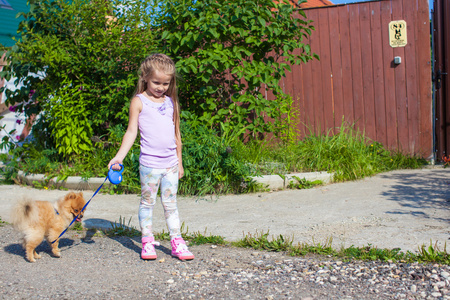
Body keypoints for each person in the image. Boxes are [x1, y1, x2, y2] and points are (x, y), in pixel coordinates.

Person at [108, 53, 194, 261]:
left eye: (166, 83)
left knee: (171, 204)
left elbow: (177, 134)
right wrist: (118, 157)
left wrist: (180, 163)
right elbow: (131, 132)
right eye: (156, 82)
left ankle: (177, 241)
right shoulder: (139, 102)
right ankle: (147, 241)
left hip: (171, 165)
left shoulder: (171, 102)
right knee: (147, 203)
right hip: (149, 165)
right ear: (145, 77)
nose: (161, 87)